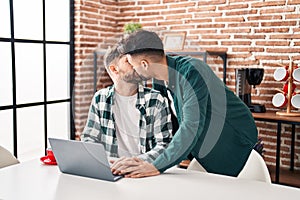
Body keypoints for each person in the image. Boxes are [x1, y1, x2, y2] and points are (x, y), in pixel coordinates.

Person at [111, 30, 258, 178]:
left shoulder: (192, 71)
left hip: (238, 142)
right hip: (208, 148)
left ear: (144, 64)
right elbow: (164, 126)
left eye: (132, 64)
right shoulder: (159, 81)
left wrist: (156, 166)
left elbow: (191, 126)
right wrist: (140, 160)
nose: (132, 69)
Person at [80, 45, 173, 163]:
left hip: (145, 171)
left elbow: (164, 145)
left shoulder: (156, 100)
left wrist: (133, 162)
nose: (137, 64)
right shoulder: (100, 99)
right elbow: (89, 138)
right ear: (114, 69)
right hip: (112, 171)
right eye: (128, 61)